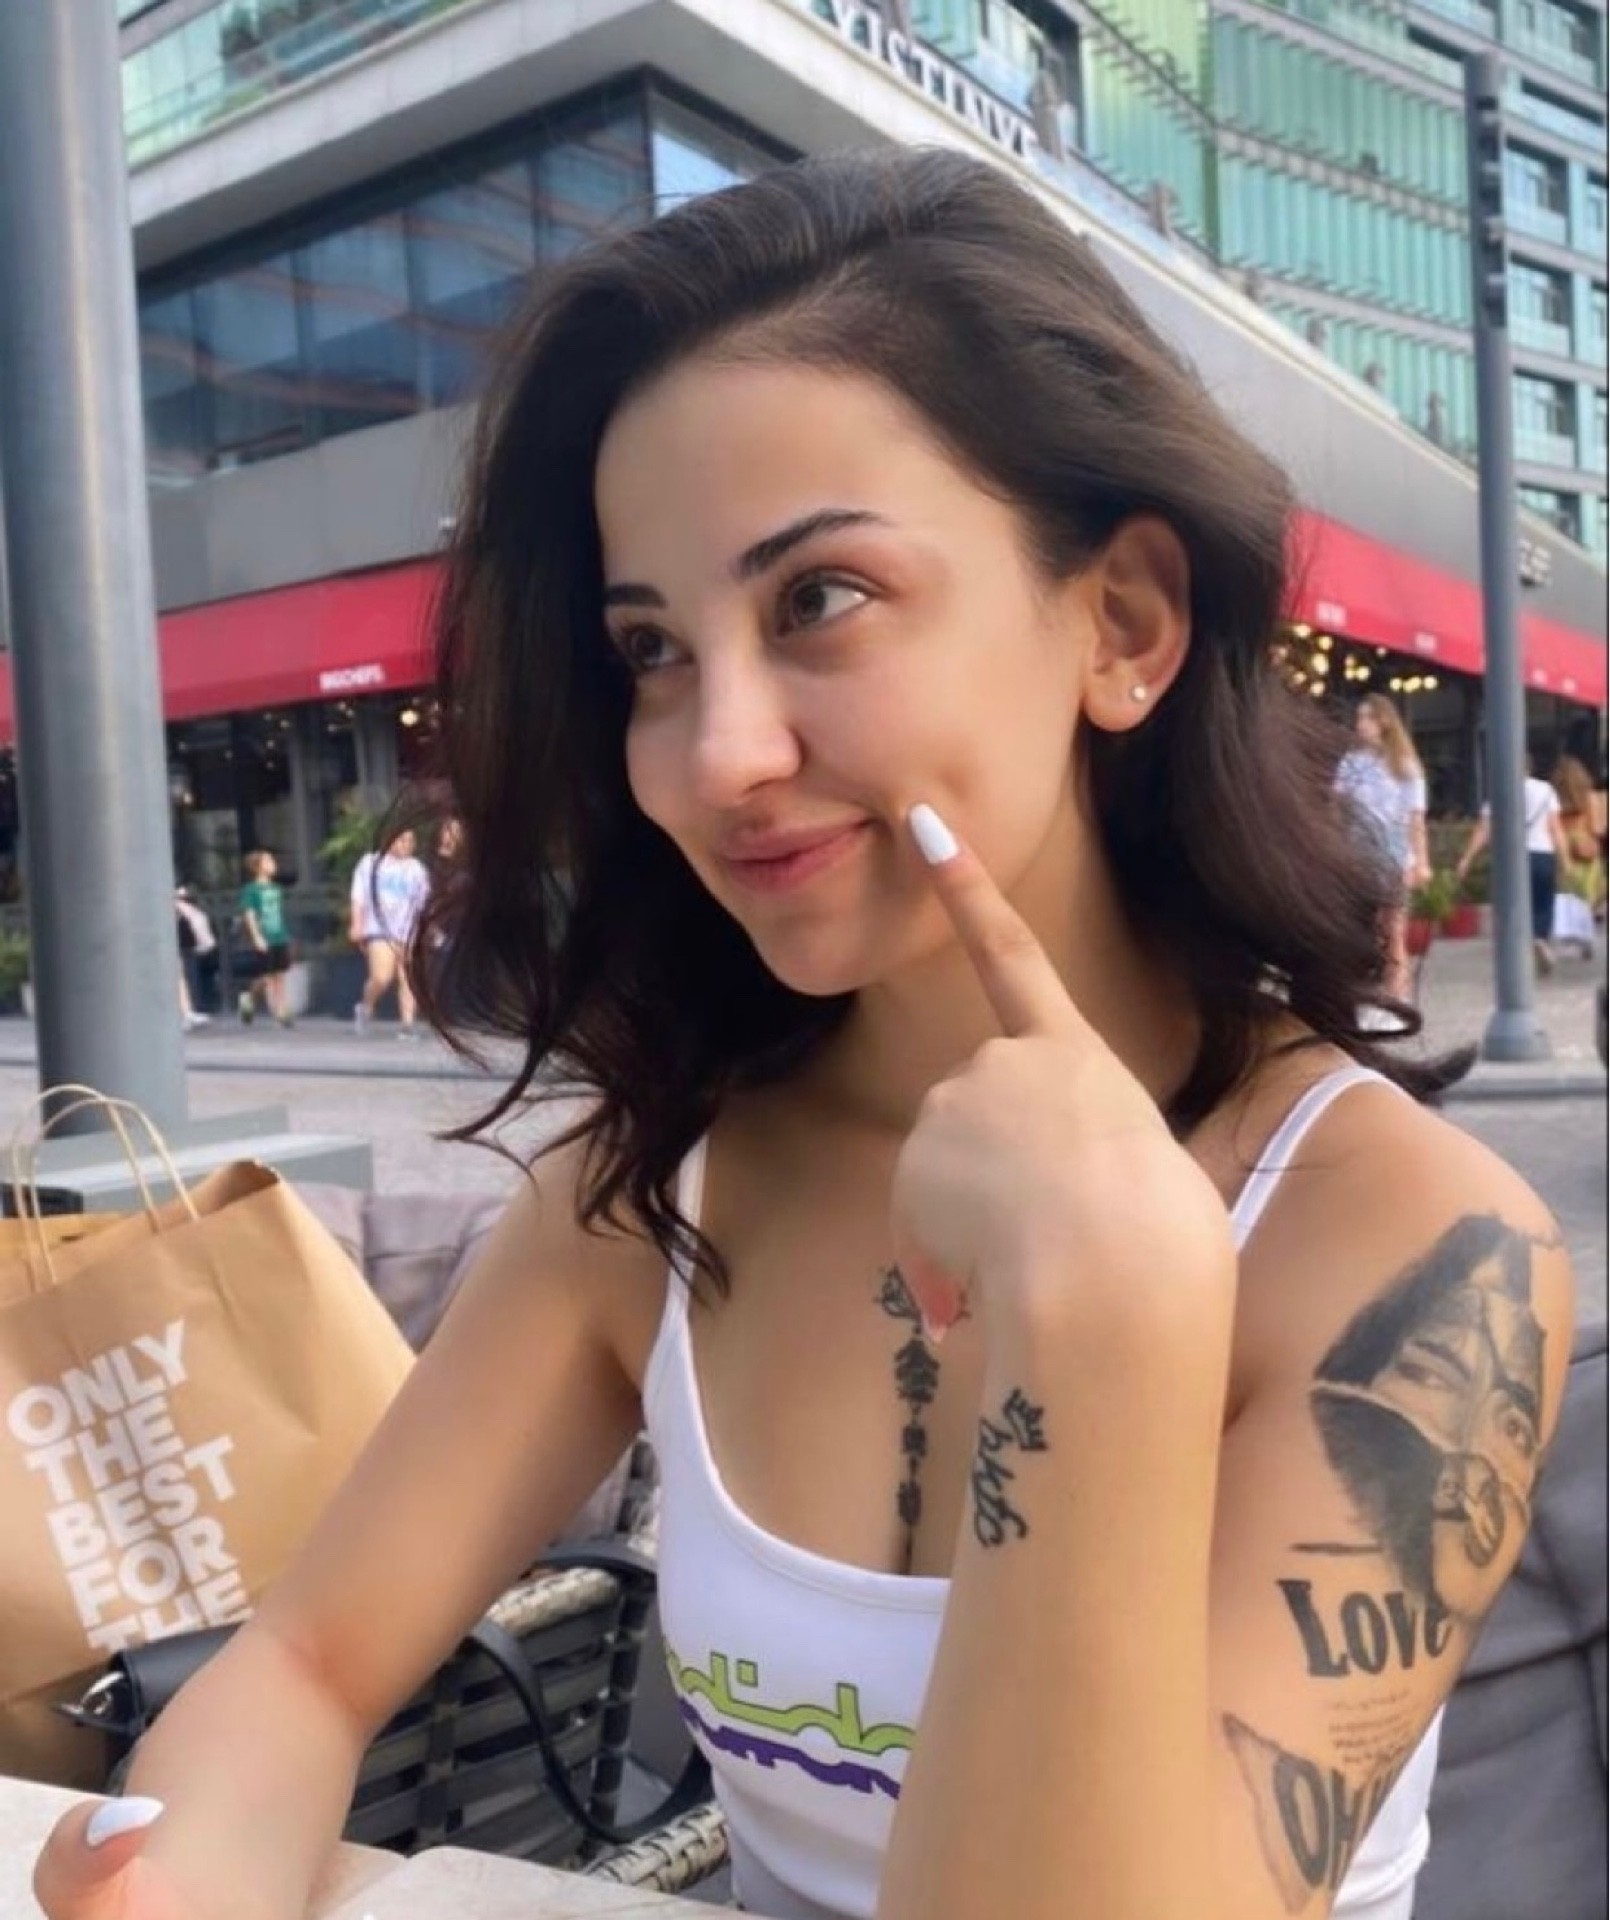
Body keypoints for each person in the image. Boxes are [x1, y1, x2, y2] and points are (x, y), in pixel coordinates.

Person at [36, 150, 1574, 1920]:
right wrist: (177, 1866)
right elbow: (311, 1663)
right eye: (653, 652)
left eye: (819, 600)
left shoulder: (1416, 1254)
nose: (716, 757)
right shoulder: (653, 1189)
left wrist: (1100, 1325)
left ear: (1123, 624)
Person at [1332, 695, 1430, 1002]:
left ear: (1384, 722)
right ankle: (1367, 991)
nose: (1360, 725)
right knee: (1362, 927)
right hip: (1358, 852)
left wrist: (1421, 861)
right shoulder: (1351, 763)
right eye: (1359, 718)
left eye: (1367, 718)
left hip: (1393, 852)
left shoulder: (1404, 765)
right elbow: (1337, 809)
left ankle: (1397, 996)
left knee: (1393, 929)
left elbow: (1415, 818)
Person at [1452, 759, 1571, 974]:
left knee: (1511, 904)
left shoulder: (1498, 791)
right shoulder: (1546, 790)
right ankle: (1540, 938)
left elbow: (1484, 830)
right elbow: (1555, 828)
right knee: (1543, 902)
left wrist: (1467, 858)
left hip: (1509, 857)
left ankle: (1516, 947)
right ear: (1529, 767)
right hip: (1542, 853)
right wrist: (1565, 861)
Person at [348, 827, 430, 1036]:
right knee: (381, 977)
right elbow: (359, 896)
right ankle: (366, 1006)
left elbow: (423, 903)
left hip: (407, 929)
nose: (405, 845)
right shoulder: (370, 863)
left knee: (408, 977)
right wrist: (357, 923)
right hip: (379, 927)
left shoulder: (417, 869)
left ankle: (407, 1024)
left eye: (410, 841)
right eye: (401, 840)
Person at [235, 849, 294, 1025]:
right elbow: (250, 914)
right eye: (268, 862)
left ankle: (281, 1010)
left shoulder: (276, 889)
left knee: (280, 974)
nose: (273, 865)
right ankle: (250, 998)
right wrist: (257, 937)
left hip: (279, 935)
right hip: (264, 936)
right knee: (266, 976)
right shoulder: (251, 890)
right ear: (258, 867)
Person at [1550, 753, 1606, 932]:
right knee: (1589, 894)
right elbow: (1598, 829)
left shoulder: (1554, 799)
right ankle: (1587, 925)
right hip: (1587, 851)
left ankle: (1572, 928)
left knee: (1569, 894)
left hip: (1565, 851)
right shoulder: (1590, 798)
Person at [173, 887, 216, 1031]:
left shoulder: (182, 907)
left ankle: (186, 1013)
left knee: (179, 977)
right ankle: (185, 1013)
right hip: (176, 947)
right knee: (178, 976)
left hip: (180, 947)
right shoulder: (181, 907)